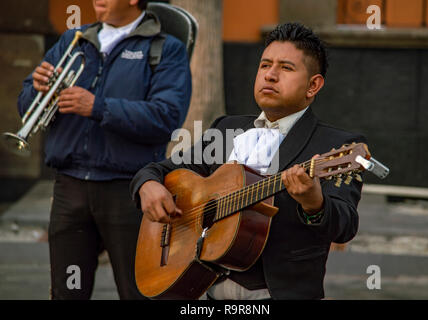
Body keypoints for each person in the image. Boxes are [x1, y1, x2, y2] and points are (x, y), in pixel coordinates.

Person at [130, 22, 366, 300]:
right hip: (208, 286)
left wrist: (315, 203)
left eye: (286, 68)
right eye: (265, 65)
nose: (271, 75)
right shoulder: (227, 129)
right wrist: (147, 184)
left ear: (313, 85)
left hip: (278, 292)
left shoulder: (336, 147)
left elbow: (345, 226)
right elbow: (160, 169)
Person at [17, 0, 192, 299]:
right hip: (70, 189)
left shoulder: (165, 48)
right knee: (67, 291)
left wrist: (97, 107)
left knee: (137, 291)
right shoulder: (73, 40)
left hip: (129, 190)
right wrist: (37, 90)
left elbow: (166, 117)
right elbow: (26, 108)